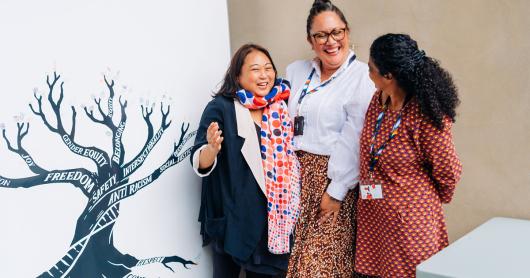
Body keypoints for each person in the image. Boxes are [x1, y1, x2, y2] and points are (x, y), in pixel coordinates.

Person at [354, 33, 463, 278]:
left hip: (410, 224)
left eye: (371, 69)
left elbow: (448, 172)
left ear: (389, 75)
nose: (368, 73)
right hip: (376, 218)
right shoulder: (378, 99)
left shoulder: (426, 115)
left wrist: (415, 199)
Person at [191, 43, 300, 278]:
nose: (264, 75)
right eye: (255, 69)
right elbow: (199, 162)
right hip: (233, 221)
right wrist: (212, 148)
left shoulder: (281, 107)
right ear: (238, 76)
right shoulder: (220, 108)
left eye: (268, 68)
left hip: (272, 224)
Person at [285, 0, 375, 277]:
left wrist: (336, 192)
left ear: (347, 32)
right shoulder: (296, 72)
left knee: (319, 267)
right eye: (321, 35)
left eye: (337, 32)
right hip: (292, 181)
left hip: (331, 179)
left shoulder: (362, 76)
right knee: (294, 261)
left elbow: (357, 136)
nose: (331, 41)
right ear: (310, 40)